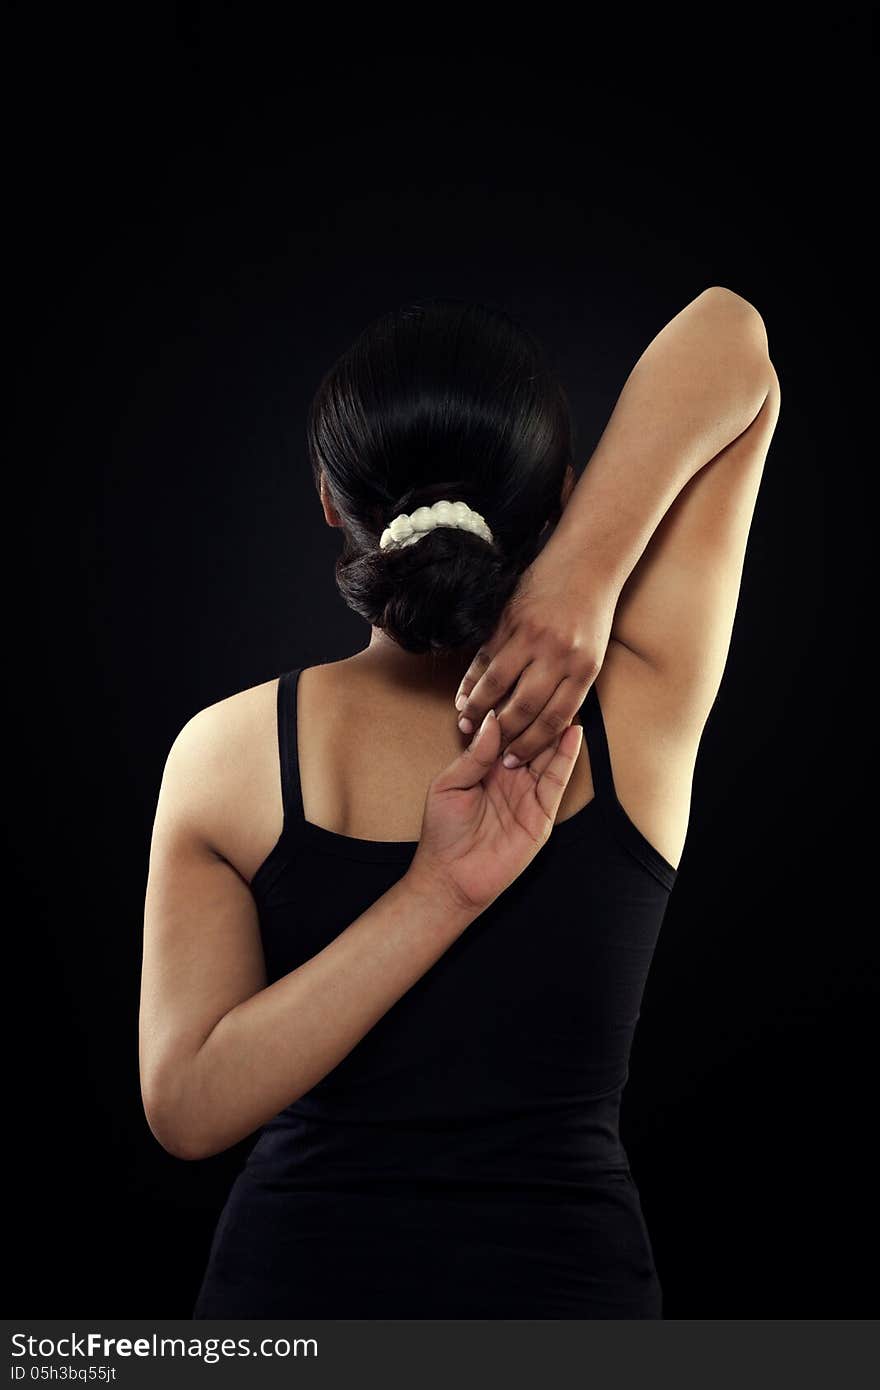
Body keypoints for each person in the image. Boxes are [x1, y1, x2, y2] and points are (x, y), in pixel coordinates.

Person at [139, 291, 780, 1318]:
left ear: (327, 499)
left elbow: (185, 1104)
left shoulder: (229, 753)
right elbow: (733, 338)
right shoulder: (636, 698)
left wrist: (429, 897)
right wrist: (588, 574)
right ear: (564, 492)